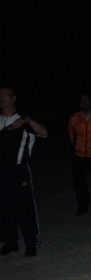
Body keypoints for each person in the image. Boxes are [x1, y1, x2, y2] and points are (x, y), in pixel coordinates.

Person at [0, 88, 48, 256]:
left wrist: (28, 120)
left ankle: (31, 242)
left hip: (19, 169)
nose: (1, 98)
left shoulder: (23, 119)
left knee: (25, 207)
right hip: (2, 171)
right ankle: (10, 241)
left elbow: (44, 133)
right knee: (5, 207)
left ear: (14, 98)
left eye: (4, 95)